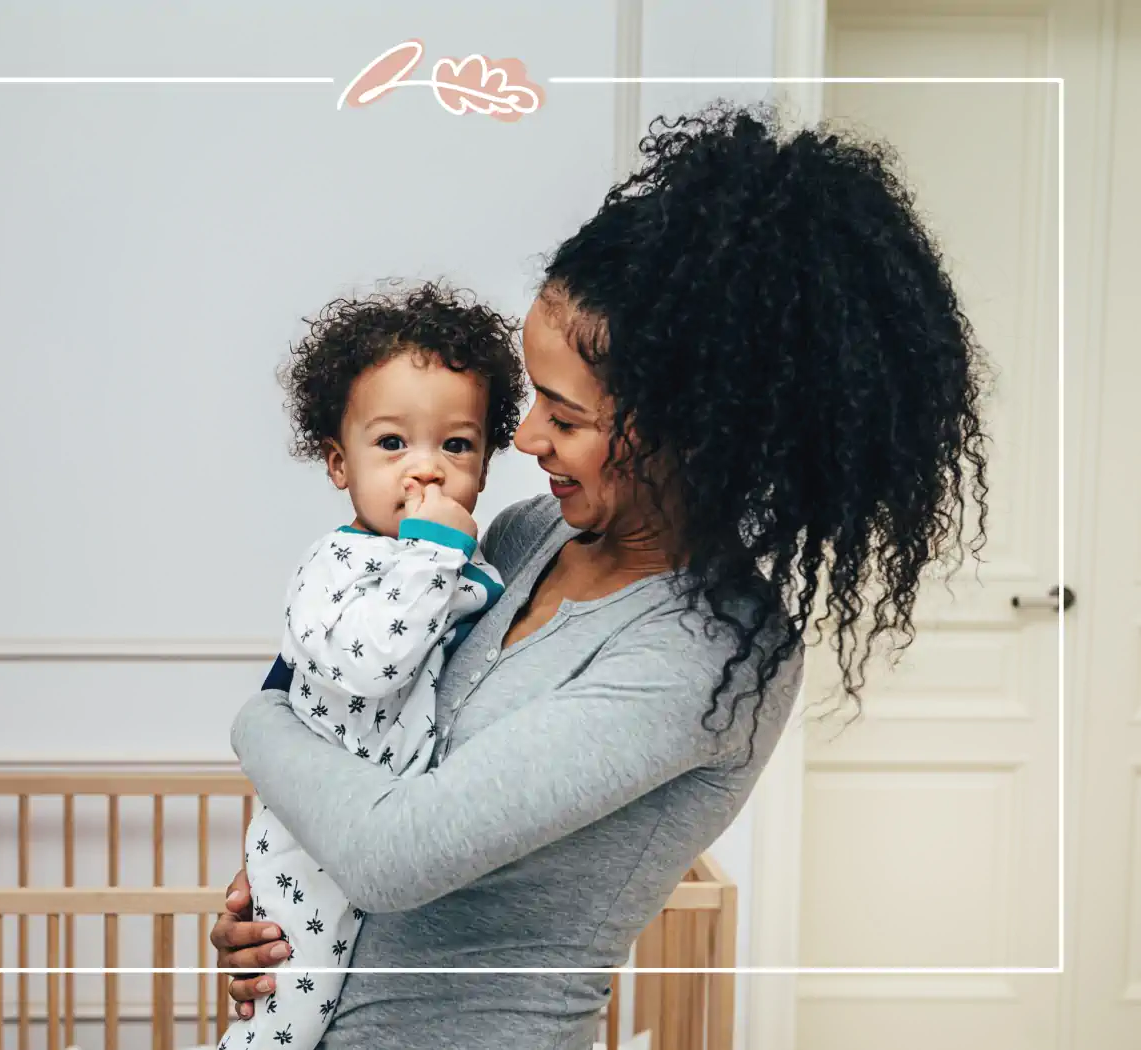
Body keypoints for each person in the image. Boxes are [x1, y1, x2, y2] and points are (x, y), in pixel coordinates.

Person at [213, 102, 990, 1050]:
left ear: (692, 432)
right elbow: (370, 755)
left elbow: (392, 853)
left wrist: (259, 717)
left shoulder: (711, 658)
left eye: (564, 415)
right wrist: (279, 914)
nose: (524, 437)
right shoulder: (527, 531)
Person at [214, 283, 524, 1050]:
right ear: (337, 463)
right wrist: (434, 547)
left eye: (456, 445)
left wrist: (446, 557)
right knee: (286, 1021)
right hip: (313, 839)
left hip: (389, 839)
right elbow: (377, 663)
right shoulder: (335, 565)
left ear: (485, 467)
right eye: (392, 444)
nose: (427, 472)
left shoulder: (468, 567)